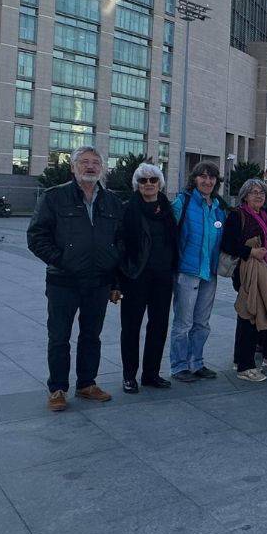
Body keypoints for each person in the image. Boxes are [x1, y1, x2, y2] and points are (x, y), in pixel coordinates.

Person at [27, 145, 121, 411]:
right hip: (63, 282)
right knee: (59, 336)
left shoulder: (112, 201)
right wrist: (62, 260)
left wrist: (114, 281)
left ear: (102, 168)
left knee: (92, 335)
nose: (90, 167)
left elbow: (120, 243)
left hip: (99, 282)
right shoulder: (54, 197)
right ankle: (57, 389)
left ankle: (86, 384)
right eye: (84, 162)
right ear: (73, 167)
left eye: (95, 163)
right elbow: (36, 236)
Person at [117, 162, 177, 394]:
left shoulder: (167, 209)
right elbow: (119, 243)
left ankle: (151, 373)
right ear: (137, 185)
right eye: (143, 181)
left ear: (160, 183)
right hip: (136, 276)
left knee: (159, 326)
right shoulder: (127, 209)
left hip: (162, 277)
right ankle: (129, 376)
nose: (149, 184)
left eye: (153, 180)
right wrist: (123, 273)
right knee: (131, 327)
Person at [170, 161, 228, 383]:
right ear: (194, 179)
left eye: (212, 177)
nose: (207, 181)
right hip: (187, 271)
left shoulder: (218, 207)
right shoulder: (182, 203)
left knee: (202, 322)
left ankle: (197, 362)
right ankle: (179, 366)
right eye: (203, 176)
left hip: (209, 273)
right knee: (183, 323)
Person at [221, 178, 267, 383]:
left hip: (260, 269)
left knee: (247, 315)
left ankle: (241, 359)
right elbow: (227, 244)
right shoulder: (238, 215)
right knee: (249, 315)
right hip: (246, 270)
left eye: (262, 192)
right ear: (245, 195)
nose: (258, 195)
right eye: (254, 192)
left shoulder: (262, 215)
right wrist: (251, 251)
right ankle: (246, 366)